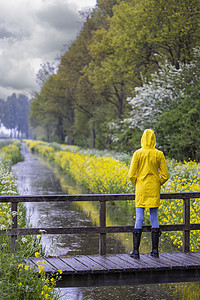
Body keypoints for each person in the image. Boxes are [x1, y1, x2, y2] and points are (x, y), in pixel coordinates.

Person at [128, 129, 169, 259]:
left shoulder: (138, 153)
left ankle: (135, 251)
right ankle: (155, 251)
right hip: (154, 188)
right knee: (154, 216)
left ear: (143, 138)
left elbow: (131, 174)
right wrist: (158, 183)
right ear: (154, 139)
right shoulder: (159, 154)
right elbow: (165, 175)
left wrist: (137, 183)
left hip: (141, 187)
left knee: (139, 216)